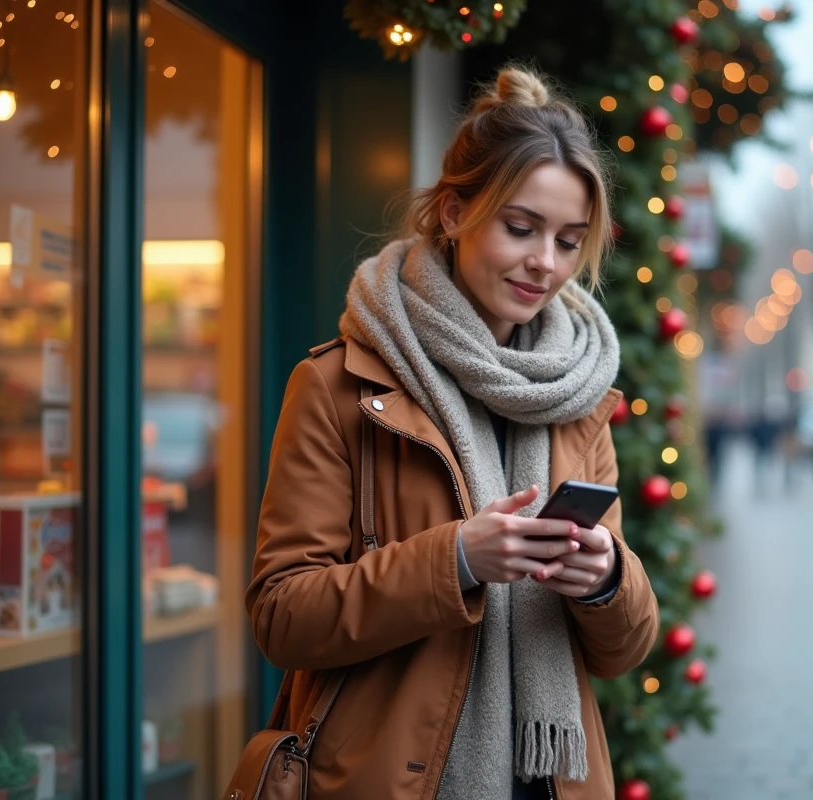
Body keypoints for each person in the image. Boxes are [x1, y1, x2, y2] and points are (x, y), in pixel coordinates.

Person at [246, 67, 659, 800]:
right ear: (453, 212)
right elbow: (282, 617)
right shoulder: (340, 386)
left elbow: (622, 652)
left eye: (569, 241)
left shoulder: (576, 394)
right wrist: (457, 559)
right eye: (520, 228)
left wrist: (604, 580)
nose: (546, 263)